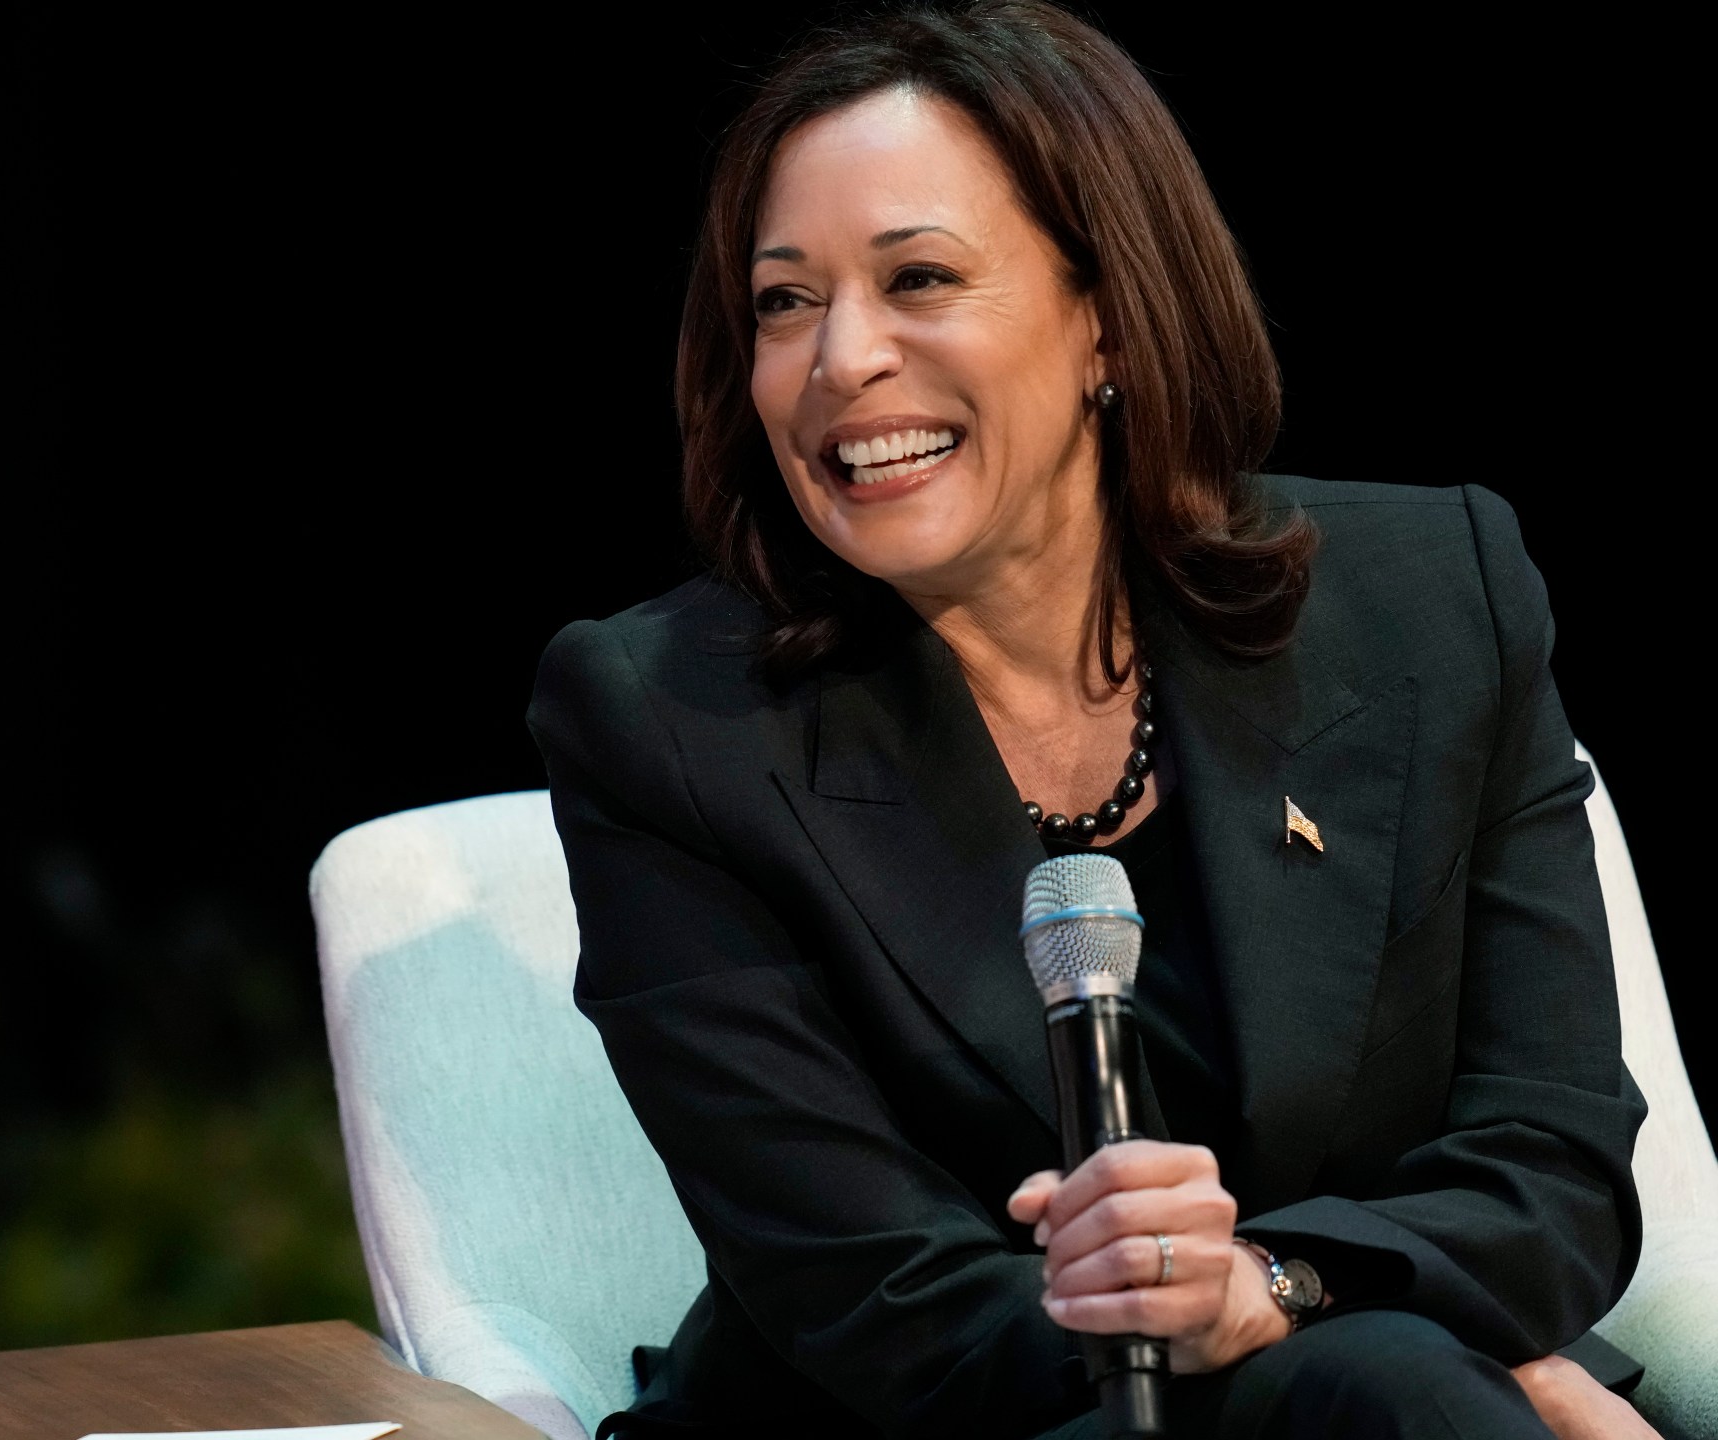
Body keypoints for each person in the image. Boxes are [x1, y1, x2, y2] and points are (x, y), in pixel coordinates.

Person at [525, 5, 1655, 1437]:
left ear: (1106, 315)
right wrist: (1375, 1340)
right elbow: (868, 1285)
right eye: (783, 302)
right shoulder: (665, 720)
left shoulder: (1436, 600)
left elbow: (1551, 1160)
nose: (838, 359)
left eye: (918, 277)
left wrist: (1282, 1283)